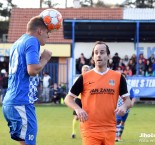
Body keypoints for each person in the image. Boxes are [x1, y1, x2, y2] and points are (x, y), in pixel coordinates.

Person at [64, 41, 131, 145]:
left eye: (102, 52)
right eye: (96, 53)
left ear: (108, 56)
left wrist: (124, 107)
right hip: (90, 129)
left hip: (110, 129)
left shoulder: (118, 77)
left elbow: (128, 101)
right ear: (93, 57)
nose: (99, 55)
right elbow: (68, 99)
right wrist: (78, 109)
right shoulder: (84, 77)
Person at [2, 15, 52, 145]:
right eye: (48, 32)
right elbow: (32, 70)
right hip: (21, 102)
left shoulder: (17, 42)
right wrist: (45, 59)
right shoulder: (32, 41)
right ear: (39, 31)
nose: (49, 36)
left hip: (10, 102)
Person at [115, 73, 136, 142]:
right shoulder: (115, 86)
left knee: (123, 122)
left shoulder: (129, 86)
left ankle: (119, 137)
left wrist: (131, 104)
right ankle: (115, 136)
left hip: (126, 107)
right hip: (117, 106)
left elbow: (133, 97)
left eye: (123, 78)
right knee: (117, 121)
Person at [71, 65, 90, 139]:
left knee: (87, 118)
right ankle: (73, 132)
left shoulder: (92, 79)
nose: (86, 71)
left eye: (87, 69)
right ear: (82, 71)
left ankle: (85, 132)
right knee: (76, 117)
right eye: (84, 69)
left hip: (88, 100)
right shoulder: (78, 79)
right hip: (79, 99)